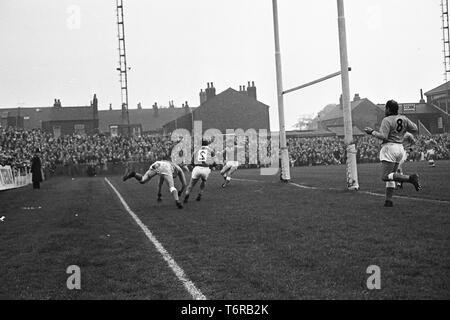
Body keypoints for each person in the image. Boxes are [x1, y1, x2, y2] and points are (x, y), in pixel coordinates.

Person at [364, 100, 422, 207]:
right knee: (391, 176)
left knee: (385, 176)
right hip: (400, 148)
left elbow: (384, 136)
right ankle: (388, 201)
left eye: (386, 108)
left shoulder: (386, 120)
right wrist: (402, 131)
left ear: (389, 109)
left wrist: (372, 132)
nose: (385, 110)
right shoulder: (403, 118)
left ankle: (410, 178)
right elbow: (415, 128)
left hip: (390, 147)